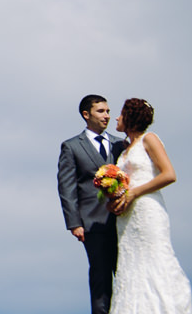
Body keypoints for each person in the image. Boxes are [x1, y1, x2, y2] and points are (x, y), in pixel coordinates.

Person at [109, 97, 192, 312]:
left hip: (147, 209)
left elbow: (169, 174)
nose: (116, 118)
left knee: (155, 257)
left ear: (130, 117)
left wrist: (134, 192)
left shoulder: (150, 139)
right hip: (127, 217)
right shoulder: (125, 150)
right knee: (132, 265)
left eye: (120, 113)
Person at [58, 94, 128, 314]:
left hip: (122, 219)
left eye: (108, 111)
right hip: (92, 223)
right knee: (100, 275)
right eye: (101, 111)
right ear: (86, 114)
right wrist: (74, 223)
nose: (106, 116)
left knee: (126, 273)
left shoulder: (121, 144)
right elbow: (66, 188)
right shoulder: (71, 146)